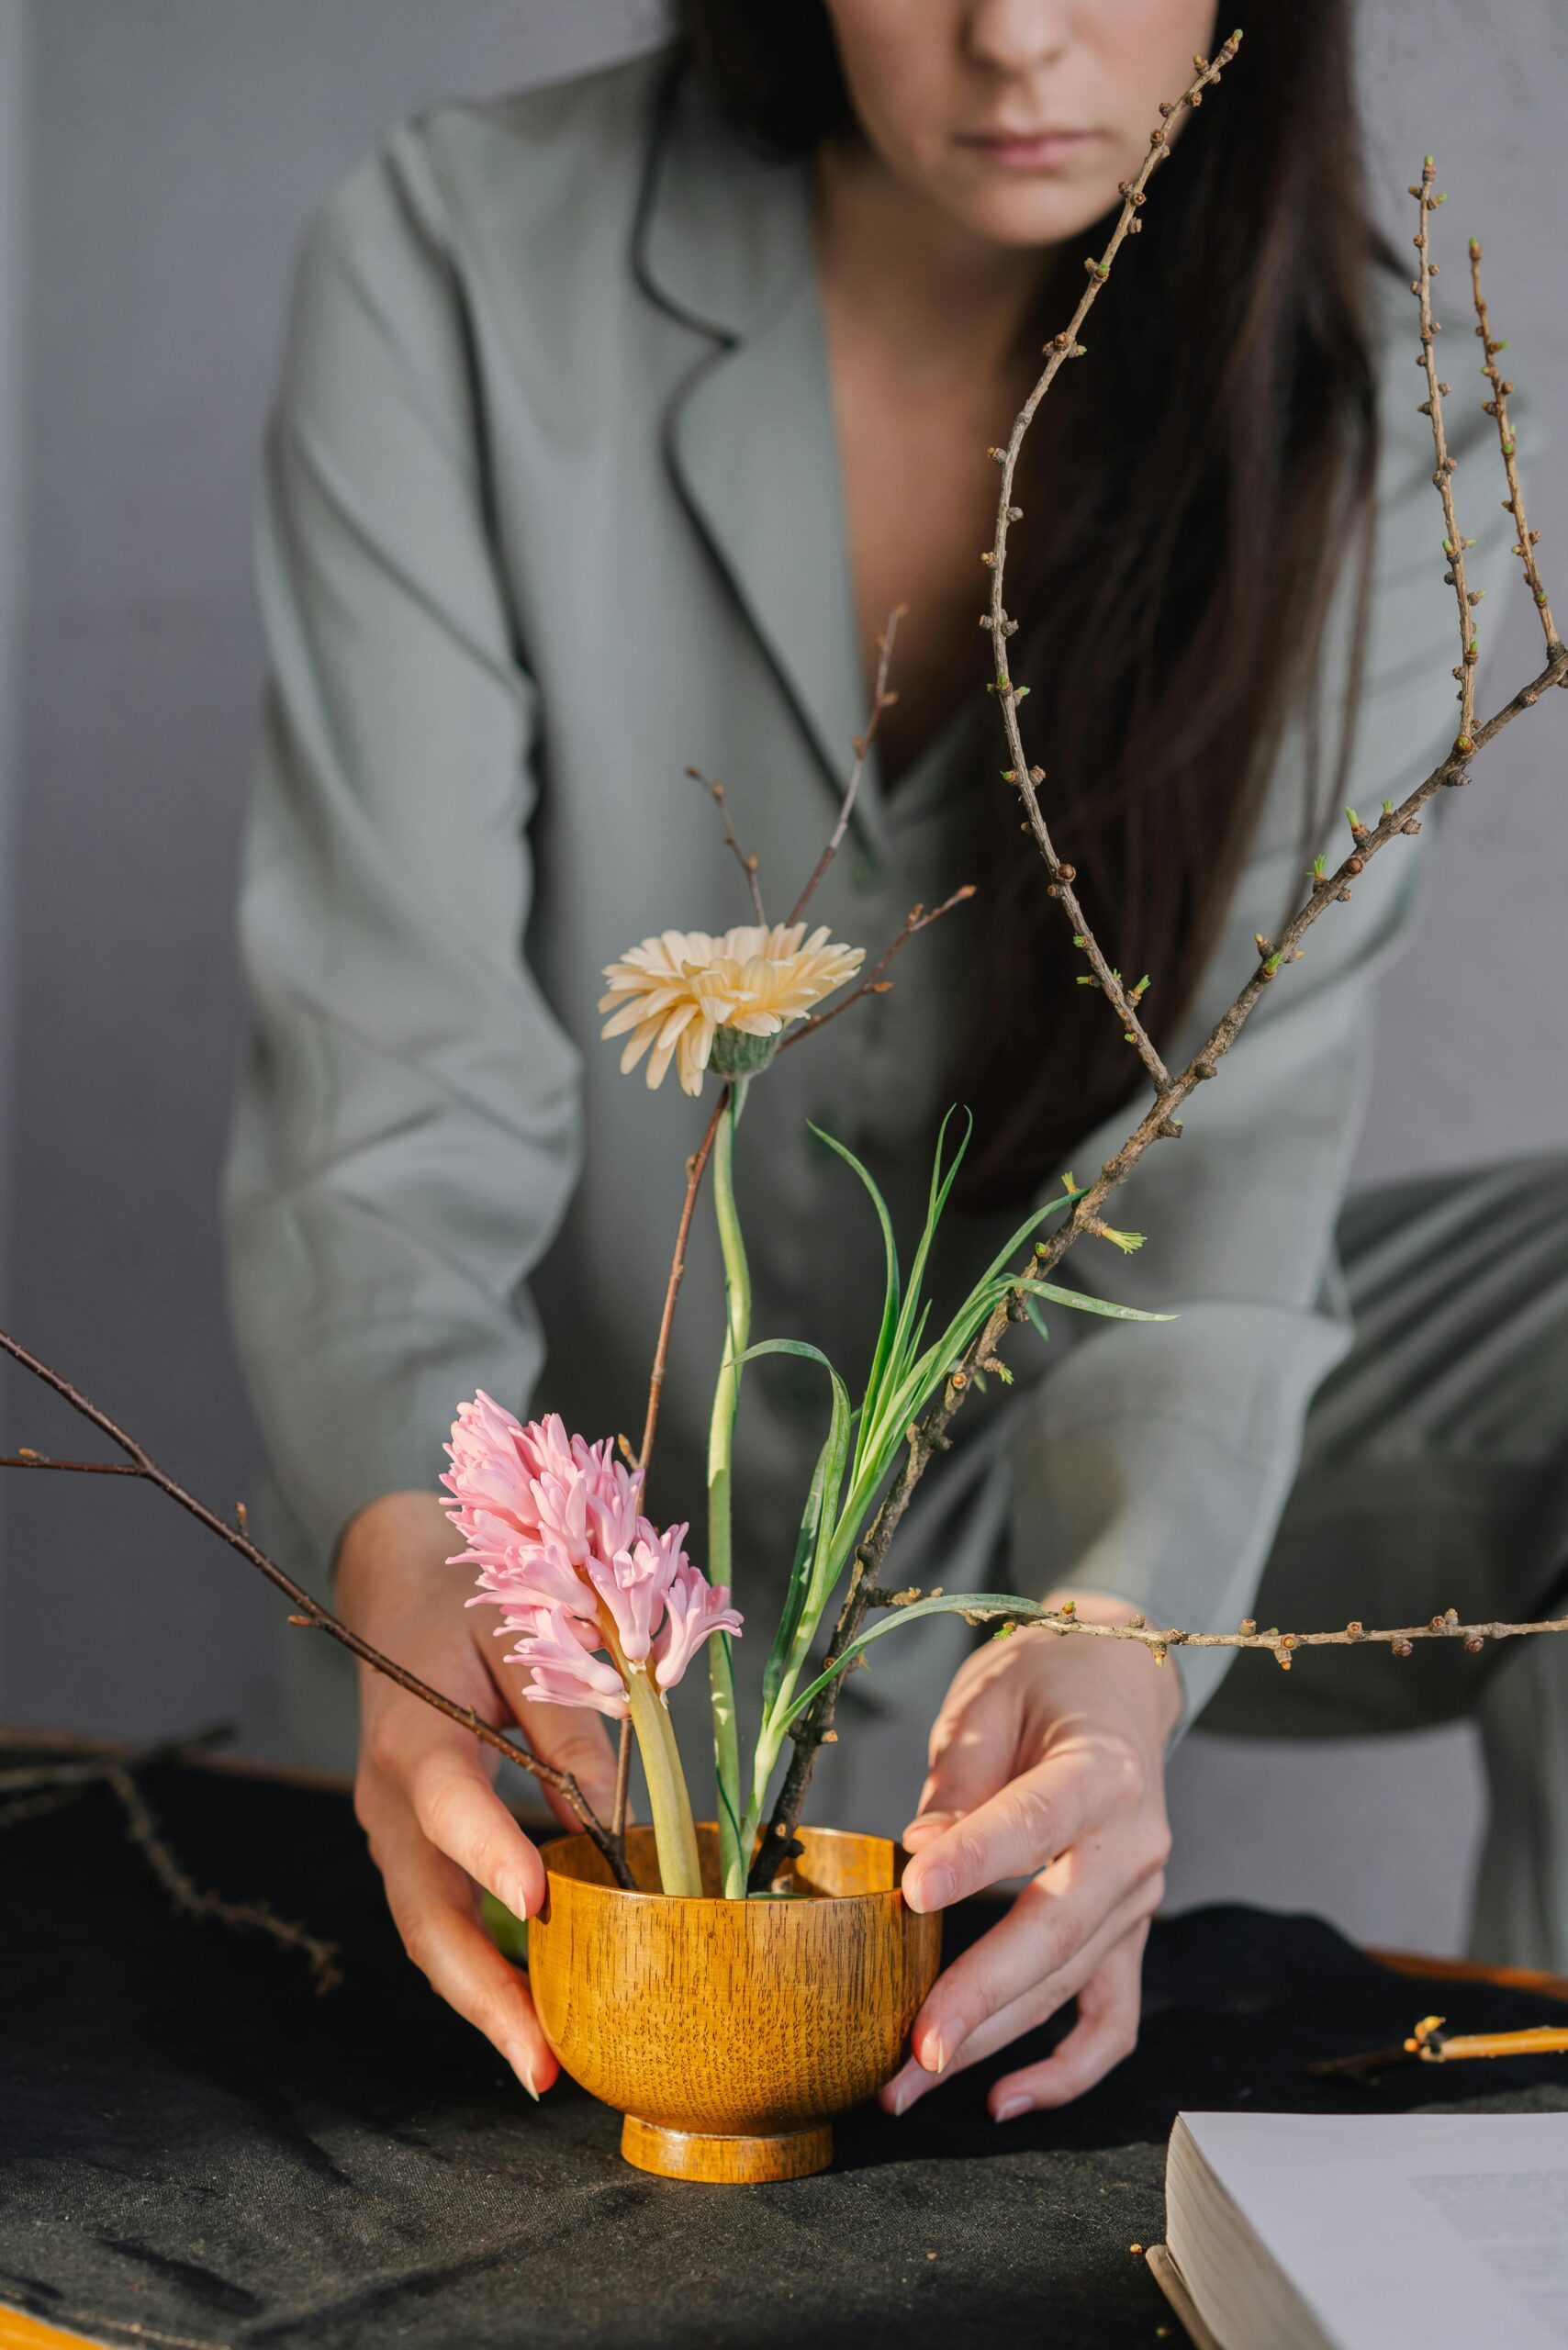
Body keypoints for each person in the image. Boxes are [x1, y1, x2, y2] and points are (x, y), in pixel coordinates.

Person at [225, 0, 1567, 2127]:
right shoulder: (465, 262)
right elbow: (388, 1084)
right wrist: (417, 1533)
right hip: (591, 1526)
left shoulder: (1392, 416)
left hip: (1085, 1427)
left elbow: (1213, 1152)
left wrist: (1117, 1634)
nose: (1015, 31)